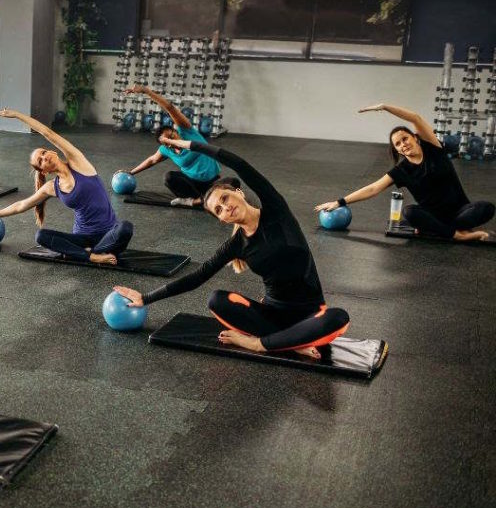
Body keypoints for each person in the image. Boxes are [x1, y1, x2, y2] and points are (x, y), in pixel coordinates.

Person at [116, 136, 349, 360]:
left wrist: (190, 145)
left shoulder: (276, 211)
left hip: (311, 314)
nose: (225, 208)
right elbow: (198, 276)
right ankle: (288, 342)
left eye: (225, 199)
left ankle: (263, 342)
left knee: (338, 317)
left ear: (238, 192)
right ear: (221, 220)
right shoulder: (236, 244)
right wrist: (146, 298)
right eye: (218, 210)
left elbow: (239, 164)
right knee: (216, 299)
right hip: (270, 316)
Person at [315, 103, 492, 242]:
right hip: (431, 215)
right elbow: (373, 189)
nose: (403, 144)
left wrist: (385, 107)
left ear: (415, 138)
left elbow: (415, 117)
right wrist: (339, 202)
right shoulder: (402, 170)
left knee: (486, 208)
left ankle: (439, 229)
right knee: (409, 212)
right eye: (398, 144)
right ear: (398, 151)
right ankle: (458, 235)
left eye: (405, 139)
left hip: (461, 212)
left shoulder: (434, 149)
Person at [0, 109, 133, 265]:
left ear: (52, 151)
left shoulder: (78, 162)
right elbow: (22, 205)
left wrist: (18, 115)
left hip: (109, 233)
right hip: (81, 238)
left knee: (126, 228)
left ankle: (82, 254)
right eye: (40, 161)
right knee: (41, 236)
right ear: (44, 171)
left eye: (44, 152)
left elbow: (47, 133)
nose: (44, 157)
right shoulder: (52, 187)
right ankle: (92, 256)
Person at [115, 85, 221, 207]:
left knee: (233, 183)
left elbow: (170, 108)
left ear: (176, 131)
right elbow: (152, 160)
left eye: (171, 137)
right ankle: (197, 200)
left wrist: (146, 91)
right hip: (194, 186)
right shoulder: (167, 149)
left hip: (213, 181)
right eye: (166, 142)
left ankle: (202, 200)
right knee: (169, 177)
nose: (170, 142)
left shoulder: (187, 131)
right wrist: (131, 173)